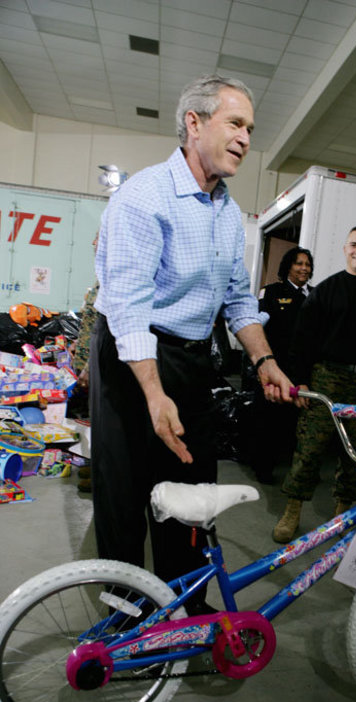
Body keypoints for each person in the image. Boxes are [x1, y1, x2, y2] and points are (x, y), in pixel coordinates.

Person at [89, 74, 294, 613]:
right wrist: (154, 396)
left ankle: (185, 604)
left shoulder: (227, 211)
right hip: (130, 357)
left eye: (251, 128)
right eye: (236, 123)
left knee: (192, 486)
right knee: (126, 494)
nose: (247, 138)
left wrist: (264, 358)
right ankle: (125, 614)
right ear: (194, 123)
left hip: (189, 357)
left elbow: (236, 298)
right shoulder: (144, 197)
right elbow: (129, 310)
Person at [273, 225, 356, 543]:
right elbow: (302, 341)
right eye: (354, 245)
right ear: (345, 249)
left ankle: (342, 512)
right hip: (326, 379)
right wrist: (301, 382)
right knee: (309, 449)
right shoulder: (326, 290)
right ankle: (292, 510)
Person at [250, 247, 314, 482]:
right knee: (268, 419)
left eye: (307, 264)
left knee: (298, 421)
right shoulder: (271, 292)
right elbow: (259, 327)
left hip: (304, 370)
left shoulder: (316, 295)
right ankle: (263, 467)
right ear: (288, 266)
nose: (303, 268)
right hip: (276, 367)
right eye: (298, 263)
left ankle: (297, 468)